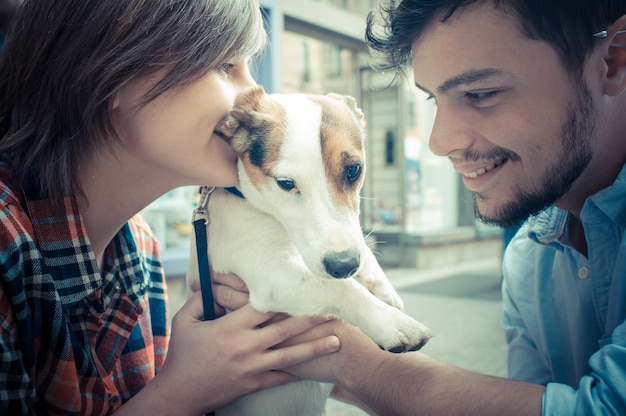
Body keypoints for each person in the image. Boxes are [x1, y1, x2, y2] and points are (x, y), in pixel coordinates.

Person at [223, 0, 625, 414]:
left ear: (613, 61)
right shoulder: (529, 258)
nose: (438, 142)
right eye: (435, 99)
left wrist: (348, 358)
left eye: (480, 94)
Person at [0, 1, 341, 414]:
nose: (256, 96)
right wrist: (183, 391)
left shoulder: (140, 244)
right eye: (226, 65)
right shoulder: (6, 244)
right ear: (109, 71)